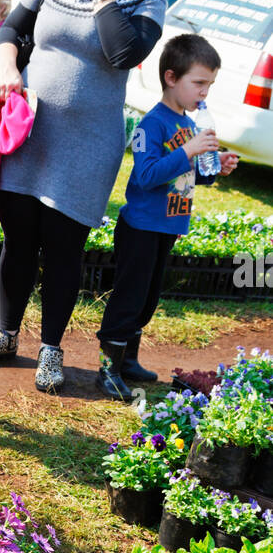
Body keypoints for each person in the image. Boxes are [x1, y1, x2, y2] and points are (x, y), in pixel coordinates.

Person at [0, 0, 167, 393]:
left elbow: (122, 53)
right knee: (19, 237)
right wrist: (7, 64)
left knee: (64, 245)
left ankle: (50, 349)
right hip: (30, 129)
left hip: (89, 142)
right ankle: (6, 335)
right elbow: (11, 26)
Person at [96, 34, 239, 400]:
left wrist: (214, 168)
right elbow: (146, 176)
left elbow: (185, 173)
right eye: (199, 83)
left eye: (209, 84)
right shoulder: (154, 124)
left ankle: (128, 359)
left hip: (167, 226)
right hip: (141, 226)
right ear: (172, 78)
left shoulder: (187, 124)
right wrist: (188, 150)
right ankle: (107, 368)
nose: (204, 92)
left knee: (148, 298)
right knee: (129, 297)